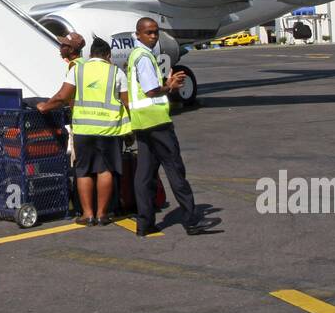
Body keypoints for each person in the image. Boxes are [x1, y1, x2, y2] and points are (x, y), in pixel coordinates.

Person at [124, 18, 218, 237]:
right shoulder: (144, 57)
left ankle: (144, 223)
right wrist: (170, 86)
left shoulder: (136, 56)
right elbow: (151, 91)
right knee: (175, 170)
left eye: (156, 32)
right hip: (157, 121)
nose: (154, 36)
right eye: (149, 33)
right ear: (138, 35)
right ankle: (192, 219)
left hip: (141, 122)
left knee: (145, 174)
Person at [38, 36, 126, 225]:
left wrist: (45, 106)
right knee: (105, 170)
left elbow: (63, 96)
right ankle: (103, 214)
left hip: (83, 128)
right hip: (109, 130)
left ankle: (87, 214)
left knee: (83, 171)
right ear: (108, 55)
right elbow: (126, 103)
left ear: (91, 54)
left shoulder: (77, 70)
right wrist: (131, 132)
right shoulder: (117, 72)